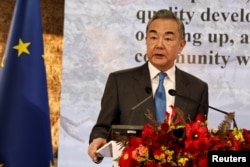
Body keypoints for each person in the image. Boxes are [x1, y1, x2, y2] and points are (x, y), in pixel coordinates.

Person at [88, 9, 209, 163]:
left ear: (181, 45)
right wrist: (98, 139)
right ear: (146, 41)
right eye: (153, 37)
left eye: (168, 39)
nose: (159, 45)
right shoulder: (119, 82)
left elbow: (201, 139)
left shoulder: (197, 89)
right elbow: (103, 127)